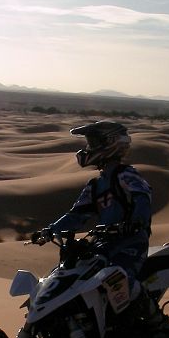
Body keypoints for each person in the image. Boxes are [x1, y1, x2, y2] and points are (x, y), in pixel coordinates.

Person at [32, 120, 152, 301]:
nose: (88, 148)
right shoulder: (95, 185)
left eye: (93, 143)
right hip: (102, 244)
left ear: (111, 142)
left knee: (119, 279)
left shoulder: (126, 174)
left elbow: (142, 196)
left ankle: (152, 320)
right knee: (67, 276)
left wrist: (136, 222)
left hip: (130, 243)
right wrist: (50, 230)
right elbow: (77, 214)